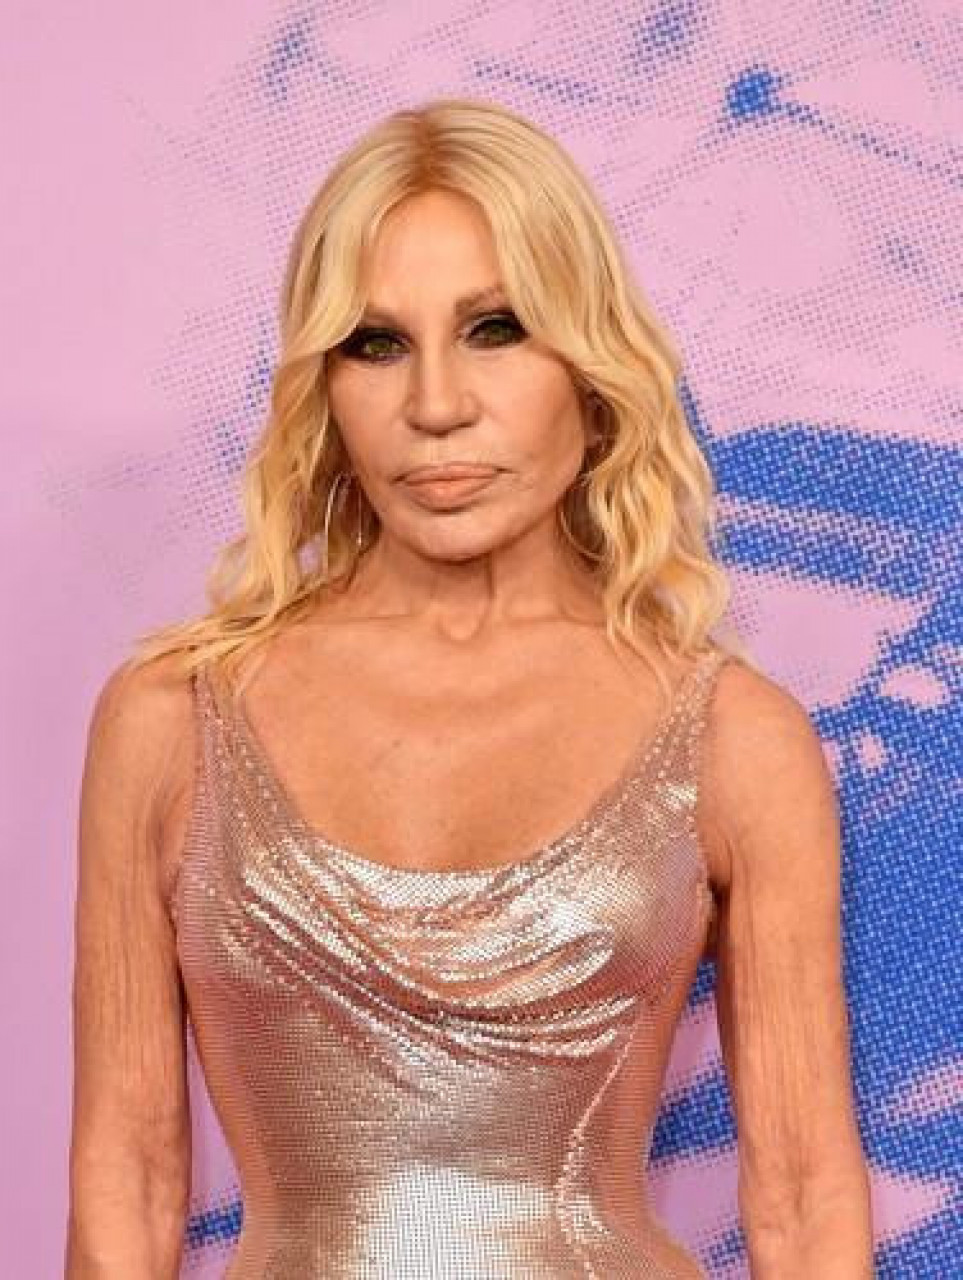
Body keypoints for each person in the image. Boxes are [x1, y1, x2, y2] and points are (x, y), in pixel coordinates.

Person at [66, 97, 872, 1278]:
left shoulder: (735, 738)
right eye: (375, 343)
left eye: (497, 328)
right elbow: (128, 1175)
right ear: (323, 385)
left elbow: (802, 1197)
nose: (437, 406)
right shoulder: (170, 720)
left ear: (587, 364)